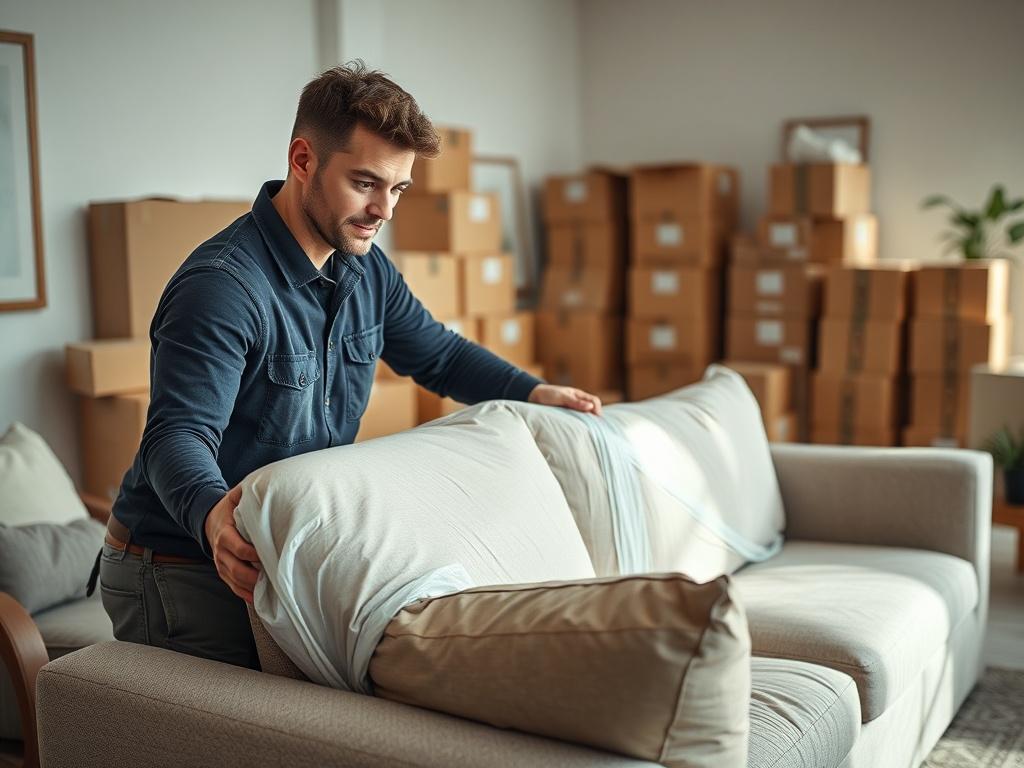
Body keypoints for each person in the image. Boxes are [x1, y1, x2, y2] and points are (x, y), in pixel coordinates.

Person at [92, 62, 603, 670]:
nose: (383, 209)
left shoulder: (364, 267)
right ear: (303, 160)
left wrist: (533, 391)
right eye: (365, 182)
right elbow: (177, 436)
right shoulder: (223, 287)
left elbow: (437, 354)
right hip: (181, 563)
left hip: (276, 549)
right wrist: (212, 519)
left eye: (398, 188)